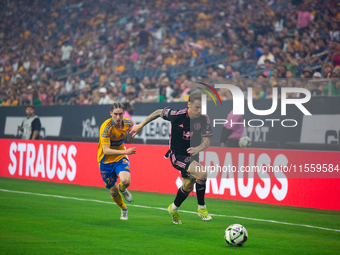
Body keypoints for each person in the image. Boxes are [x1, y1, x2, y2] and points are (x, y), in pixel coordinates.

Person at [130, 90, 213, 224]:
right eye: (197, 107)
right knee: (202, 172)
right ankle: (202, 208)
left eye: (202, 107)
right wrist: (141, 125)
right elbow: (158, 112)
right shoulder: (177, 115)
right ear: (189, 104)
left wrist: (198, 148)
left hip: (192, 155)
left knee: (188, 186)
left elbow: (207, 141)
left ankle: (173, 209)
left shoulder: (204, 119)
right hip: (177, 155)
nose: (199, 110)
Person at [97, 103, 136, 220]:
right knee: (113, 191)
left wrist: (133, 132)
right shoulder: (106, 127)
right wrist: (126, 152)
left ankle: (123, 189)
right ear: (111, 114)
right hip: (105, 160)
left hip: (119, 157)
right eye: (115, 114)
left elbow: (132, 130)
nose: (118, 117)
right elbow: (106, 150)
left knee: (126, 181)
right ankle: (124, 208)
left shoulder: (128, 122)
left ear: (124, 113)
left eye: (120, 114)